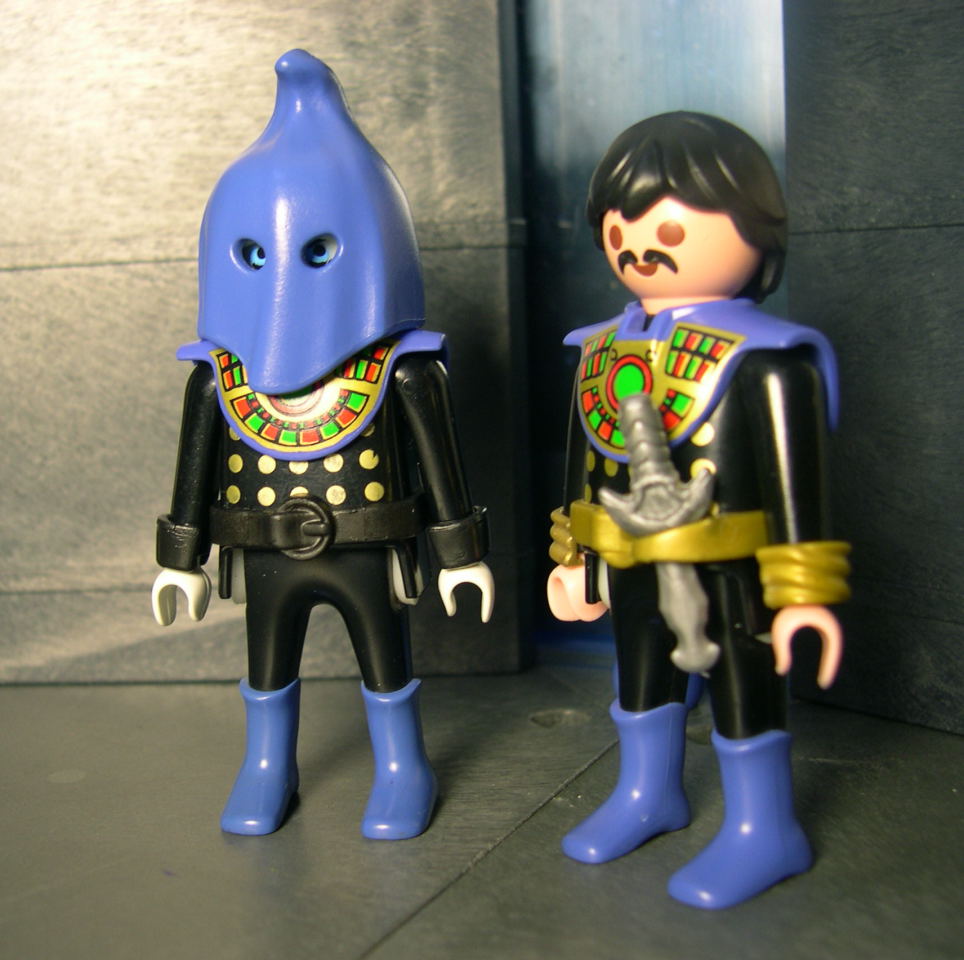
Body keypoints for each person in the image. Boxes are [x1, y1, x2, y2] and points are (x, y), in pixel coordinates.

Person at [152, 50, 493, 839]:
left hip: (368, 546)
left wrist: (461, 553)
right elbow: (192, 474)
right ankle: (266, 764)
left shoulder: (403, 370)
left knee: (384, 657)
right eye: (255, 255)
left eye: (316, 252)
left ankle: (403, 767)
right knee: (267, 660)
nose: (285, 284)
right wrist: (180, 559)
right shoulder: (217, 379)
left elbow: (441, 468)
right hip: (263, 550)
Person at [547, 111, 849, 908]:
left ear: (756, 227)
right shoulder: (600, 350)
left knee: (744, 681)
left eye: (670, 228)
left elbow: (798, 488)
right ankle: (647, 794)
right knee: (639, 675)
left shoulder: (770, 359)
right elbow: (587, 463)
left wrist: (804, 593)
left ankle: (765, 827)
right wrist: (573, 557)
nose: (639, 249)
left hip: (735, 570)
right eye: (621, 229)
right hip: (629, 562)